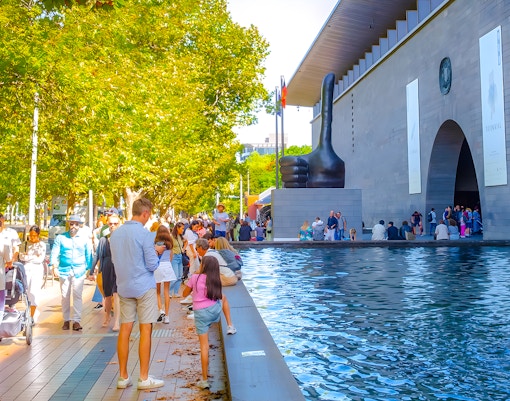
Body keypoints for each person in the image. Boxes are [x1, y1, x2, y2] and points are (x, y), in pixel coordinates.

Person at [110, 198, 166, 390]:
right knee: (146, 330)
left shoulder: (115, 235)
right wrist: (157, 252)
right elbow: (152, 265)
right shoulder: (145, 234)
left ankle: (123, 376)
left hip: (124, 286)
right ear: (145, 213)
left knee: (124, 330)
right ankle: (143, 377)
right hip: (143, 286)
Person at [182, 255, 236, 389]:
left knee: (204, 347)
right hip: (214, 312)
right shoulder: (215, 279)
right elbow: (217, 295)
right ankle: (230, 325)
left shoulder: (195, 277)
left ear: (203, 266)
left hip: (200, 314)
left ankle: (205, 380)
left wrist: (190, 285)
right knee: (223, 298)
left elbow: (184, 294)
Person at [50, 215, 93, 331]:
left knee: (77, 295)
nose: (73, 226)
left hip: (79, 270)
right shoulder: (61, 238)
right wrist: (54, 266)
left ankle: (76, 321)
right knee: (65, 296)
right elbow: (54, 253)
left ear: (79, 225)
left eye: (76, 224)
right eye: (71, 223)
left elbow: (88, 254)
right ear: (68, 224)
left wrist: (90, 269)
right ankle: (66, 320)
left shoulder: (84, 239)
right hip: (64, 270)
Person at [89, 214, 122, 331]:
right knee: (107, 296)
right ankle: (107, 316)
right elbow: (97, 255)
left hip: (118, 268)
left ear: (119, 224)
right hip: (107, 267)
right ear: (107, 224)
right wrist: (91, 270)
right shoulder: (104, 239)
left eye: (115, 223)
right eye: (110, 223)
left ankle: (117, 322)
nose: (113, 226)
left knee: (116, 294)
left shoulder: (123, 238)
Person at [18, 225, 45, 322]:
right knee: (26, 291)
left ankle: (32, 315)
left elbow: (40, 259)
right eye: (31, 235)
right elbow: (21, 257)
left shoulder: (41, 245)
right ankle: (28, 311)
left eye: (34, 235)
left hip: (37, 269)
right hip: (26, 268)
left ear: (38, 235)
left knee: (34, 292)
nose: (32, 238)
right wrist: (33, 256)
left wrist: (28, 256)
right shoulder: (25, 244)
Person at [0, 213, 21, 321]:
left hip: (9, 266)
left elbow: (16, 249)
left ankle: (11, 304)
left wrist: (11, 261)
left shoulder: (11, 233)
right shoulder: (3, 241)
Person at [154, 225, 176, 324]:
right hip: (167, 266)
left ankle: (160, 310)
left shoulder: (156, 243)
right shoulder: (170, 243)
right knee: (166, 292)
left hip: (158, 266)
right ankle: (167, 316)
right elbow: (171, 256)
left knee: (157, 291)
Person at [169, 222, 186, 298]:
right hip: (174, 257)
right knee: (175, 276)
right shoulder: (172, 237)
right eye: (182, 228)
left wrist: (183, 249)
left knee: (179, 276)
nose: (183, 230)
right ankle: (169, 292)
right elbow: (168, 246)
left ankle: (175, 292)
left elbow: (186, 242)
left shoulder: (180, 236)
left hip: (180, 256)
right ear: (177, 228)